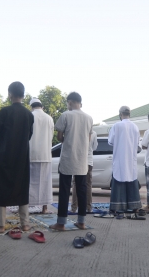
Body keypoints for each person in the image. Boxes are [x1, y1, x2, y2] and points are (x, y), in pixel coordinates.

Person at [0, 82, 34, 233]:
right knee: (22, 187)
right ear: (23, 94)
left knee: (2, 187)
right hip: (22, 155)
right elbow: (29, 135)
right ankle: (25, 224)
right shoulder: (28, 114)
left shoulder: (5, 111)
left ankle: (0, 225)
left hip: (5, 154)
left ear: (10, 94)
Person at [50, 92, 93, 231]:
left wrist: (68, 140)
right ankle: (81, 222)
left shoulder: (66, 115)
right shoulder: (89, 118)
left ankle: (61, 223)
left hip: (68, 158)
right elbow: (88, 138)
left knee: (64, 190)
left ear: (70, 102)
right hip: (82, 160)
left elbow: (60, 136)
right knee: (81, 190)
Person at [108, 106, 142, 213]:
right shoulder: (135, 127)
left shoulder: (116, 126)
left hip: (119, 158)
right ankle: (135, 206)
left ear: (120, 114)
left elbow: (111, 141)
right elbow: (138, 145)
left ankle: (117, 207)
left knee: (118, 179)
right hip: (131, 159)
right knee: (132, 179)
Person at [28, 97, 54, 214]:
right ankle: (44, 208)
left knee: (29, 182)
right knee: (45, 182)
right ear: (41, 106)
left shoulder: (29, 116)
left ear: (31, 106)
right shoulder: (49, 118)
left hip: (31, 153)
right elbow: (51, 136)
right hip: (45, 154)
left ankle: (26, 207)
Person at [71, 130, 98, 213]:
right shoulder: (93, 133)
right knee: (88, 185)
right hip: (89, 162)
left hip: (78, 161)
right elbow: (95, 147)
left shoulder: (77, 132)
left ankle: (74, 208)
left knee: (76, 184)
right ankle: (88, 207)